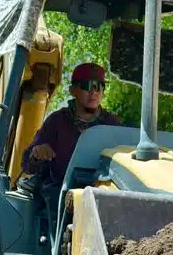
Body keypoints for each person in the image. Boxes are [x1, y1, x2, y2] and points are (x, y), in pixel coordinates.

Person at [17, 63, 123, 207]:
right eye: (87, 85)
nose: (94, 92)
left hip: (99, 199)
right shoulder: (56, 120)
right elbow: (27, 165)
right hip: (59, 199)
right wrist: (36, 154)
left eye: (99, 86)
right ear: (73, 90)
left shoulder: (113, 125)